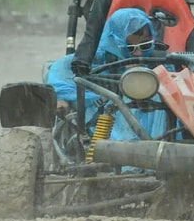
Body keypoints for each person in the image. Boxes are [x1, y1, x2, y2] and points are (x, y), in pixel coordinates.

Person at [47, 8, 167, 143]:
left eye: (144, 46)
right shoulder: (96, 59)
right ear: (116, 43)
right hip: (100, 123)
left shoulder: (160, 63)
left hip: (150, 129)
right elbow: (60, 69)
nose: (139, 53)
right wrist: (60, 96)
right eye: (130, 48)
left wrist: (142, 73)